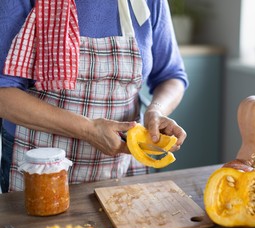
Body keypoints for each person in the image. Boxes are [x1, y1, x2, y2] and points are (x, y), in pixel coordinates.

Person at [0, 0, 188, 192]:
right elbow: (4, 96)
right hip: (41, 165)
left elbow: (171, 76)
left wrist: (156, 110)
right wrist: (88, 130)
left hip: (123, 166)